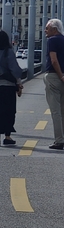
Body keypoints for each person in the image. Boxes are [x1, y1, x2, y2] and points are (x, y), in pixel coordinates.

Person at [43, 18, 64, 150]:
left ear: (54, 29)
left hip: (54, 77)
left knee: (55, 111)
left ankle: (59, 140)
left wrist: (60, 75)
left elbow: (53, 60)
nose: (45, 31)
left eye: (47, 28)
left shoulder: (52, 40)